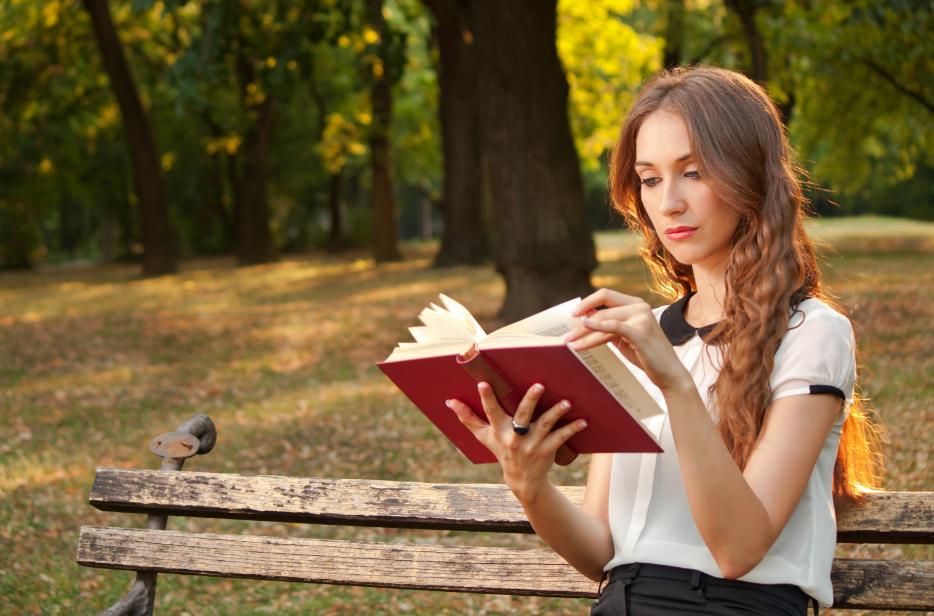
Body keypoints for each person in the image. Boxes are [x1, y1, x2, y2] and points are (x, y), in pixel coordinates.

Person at [445, 65, 882, 615]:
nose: (669, 202)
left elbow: (739, 550)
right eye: (650, 179)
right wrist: (531, 486)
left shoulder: (812, 333)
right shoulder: (639, 334)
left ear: (748, 175)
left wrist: (672, 382)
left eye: (693, 173)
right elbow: (601, 549)